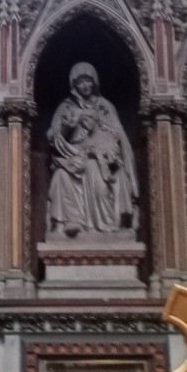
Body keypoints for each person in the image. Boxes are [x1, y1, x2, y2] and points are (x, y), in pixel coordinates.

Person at [46, 62, 138, 239]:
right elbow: (53, 137)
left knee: (96, 172)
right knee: (59, 176)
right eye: (80, 82)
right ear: (74, 84)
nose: (84, 85)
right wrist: (67, 126)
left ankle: (107, 224)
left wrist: (100, 146)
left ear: (94, 81)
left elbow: (117, 136)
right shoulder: (66, 107)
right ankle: (70, 221)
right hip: (72, 157)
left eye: (87, 80)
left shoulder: (105, 106)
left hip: (99, 158)